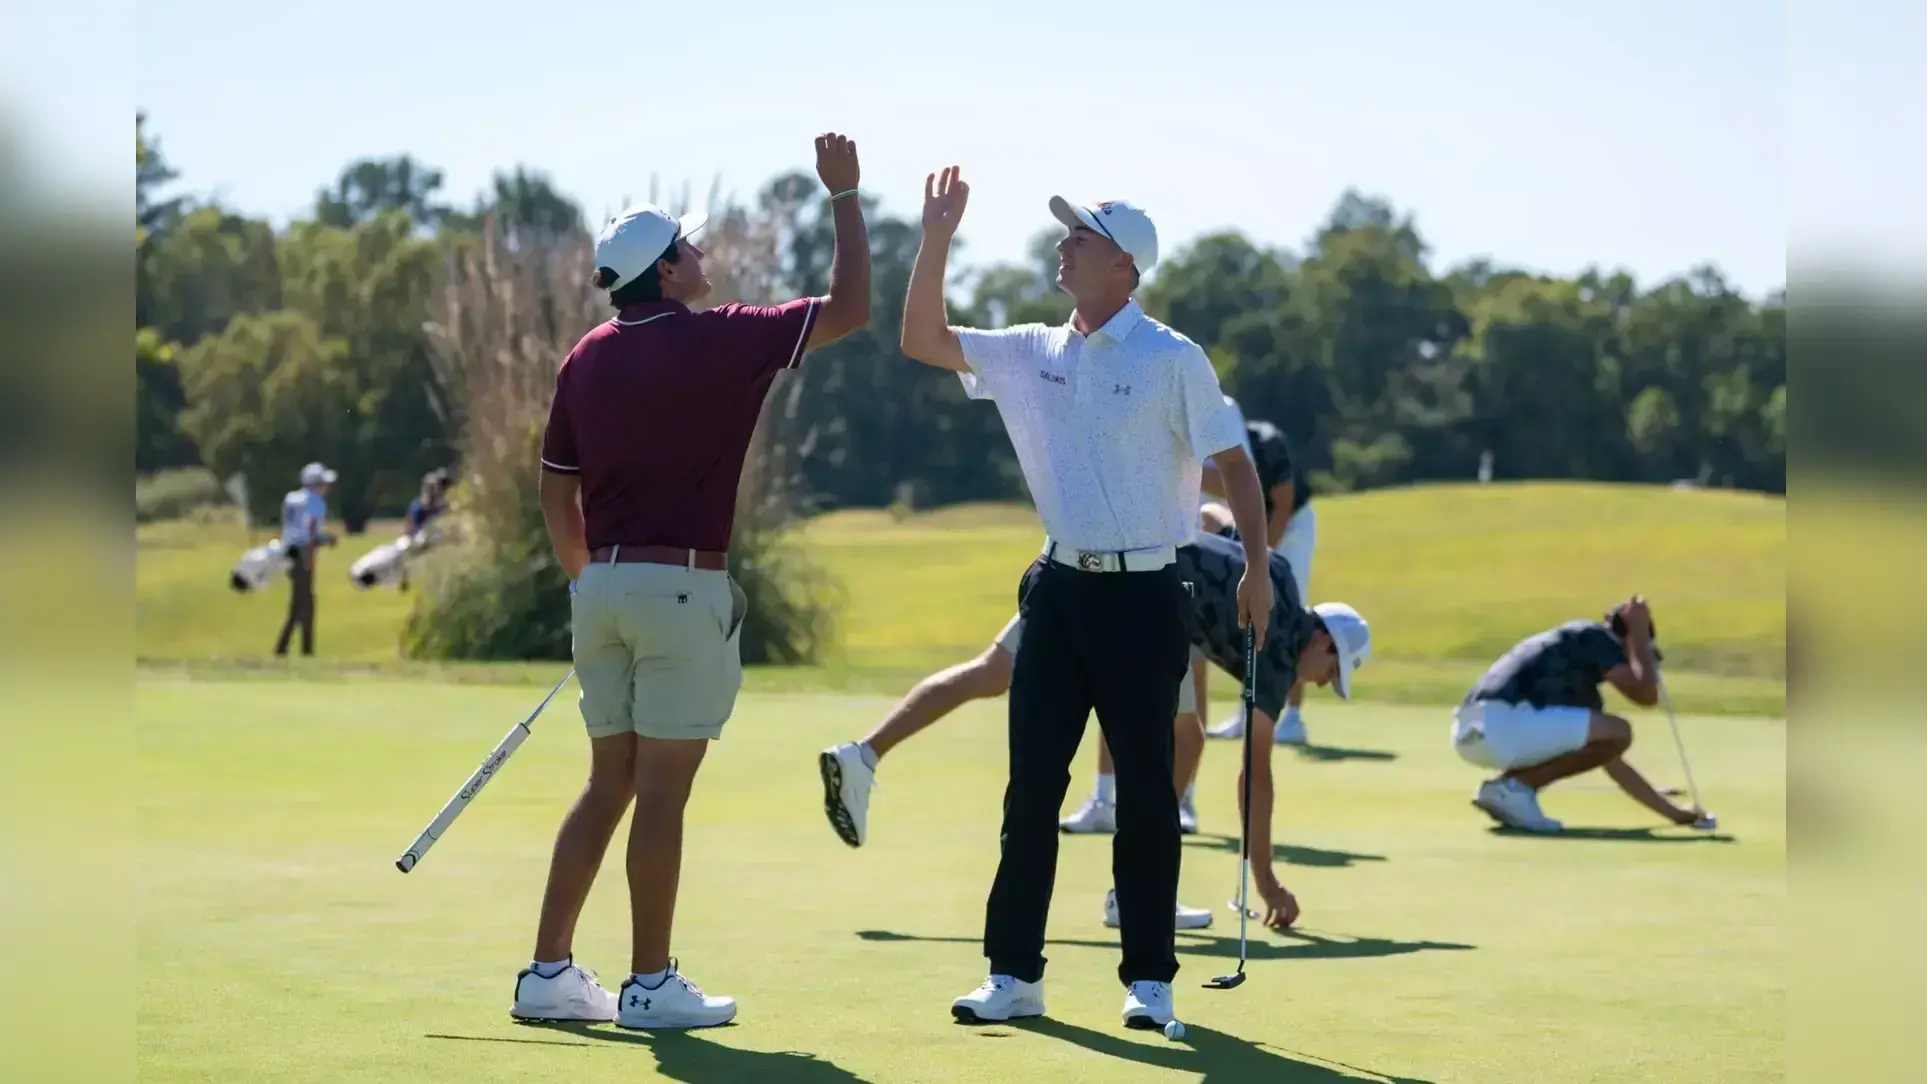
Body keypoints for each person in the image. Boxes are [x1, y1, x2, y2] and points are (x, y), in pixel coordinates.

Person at [900, 168, 1271, 1033]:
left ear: (1125, 268)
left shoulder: (1173, 358)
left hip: (1148, 596)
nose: (1062, 245)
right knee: (1031, 789)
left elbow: (1238, 467)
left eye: (1081, 237)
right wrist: (937, 238)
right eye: (1066, 234)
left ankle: (1149, 983)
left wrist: (1255, 570)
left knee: (1145, 792)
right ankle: (1013, 975)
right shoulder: (1034, 349)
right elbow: (922, 339)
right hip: (1058, 593)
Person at [512, 133, 869, 1031]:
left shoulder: (584, 356)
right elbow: (853, 308)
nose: (705, 256)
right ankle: (648, 985)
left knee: (608, 785)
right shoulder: (724, 339)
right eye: (692, 246)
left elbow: (556, 493)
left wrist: (590, 583)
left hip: (603, 594)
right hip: (681, 594)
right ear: (667, 270)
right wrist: (845, 197)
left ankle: (547, 975)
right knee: (662, 793)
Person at [818, 520, 1372, 932]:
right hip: (1146, 600)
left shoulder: (1276, 570)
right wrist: (1268, 881)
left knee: (993, 673)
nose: (1323, 682)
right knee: (1182, 738)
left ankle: (862, 753)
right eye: (1332, 671)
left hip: (1101, 556)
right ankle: (1133, 895)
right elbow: (1256, 776)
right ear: (1322, 640)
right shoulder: (1279, 648)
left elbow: (1208, 517)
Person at [1060, 398, 1313, 836]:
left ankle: (1183, 801)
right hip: (1142, 550)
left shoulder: (1219, 408)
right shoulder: (1140, 399)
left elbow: (1236, 483)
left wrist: (1252, 562)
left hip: (1195, 571)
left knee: (1187, 691)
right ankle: (1105, 795)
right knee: (1115, 682)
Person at [1453, 596, 1713, 833]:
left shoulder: (1578, 666)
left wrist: (1675, 813)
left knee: (1612, 737)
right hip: (1504, 723)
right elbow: (1646, 696)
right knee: (1620, 731)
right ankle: (1514, 788)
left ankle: (1507, 789)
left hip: (1473, 733)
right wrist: (1639, 635)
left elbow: (1611, 759)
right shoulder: (1595, 636)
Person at [1202, 405, 1317, 745]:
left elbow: (1283, 504)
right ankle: (1247, 714)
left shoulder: (1268, 443)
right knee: (1252, 618)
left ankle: (1293, 718)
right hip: (1251, 527)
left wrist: (1263, 566)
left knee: (1288, 613)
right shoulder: (1204, 448)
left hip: (1292, 524)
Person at [273, 461, 336, 657]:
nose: (326, 487)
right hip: (303, 553)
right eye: (323, 483)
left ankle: (304, 649)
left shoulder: (292, 498)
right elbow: (310, 530)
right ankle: (284, 648)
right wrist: (324, 541)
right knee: (301, 604)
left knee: (305, 602)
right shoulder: (316, 502)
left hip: (288, 552)